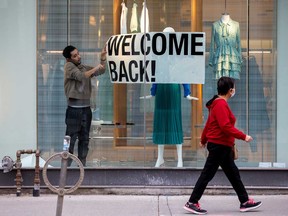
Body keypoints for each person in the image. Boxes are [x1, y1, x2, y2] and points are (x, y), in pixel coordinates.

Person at [183, 77, 262, 215]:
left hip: (222, 146)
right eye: (234, 88)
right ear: (230, 90)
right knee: (207, 174)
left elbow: (209, 124)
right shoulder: (220, 104)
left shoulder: (217, 104)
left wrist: (203, 139)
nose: (234, 91)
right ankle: (192, 202)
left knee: (233, 174)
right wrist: (243, 136)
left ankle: (244, 201)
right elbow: (225, 126)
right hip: (219, 145)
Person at [62, 45, 107, 166]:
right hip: (73, 110)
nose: (78, 56)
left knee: (85, 138)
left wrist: (102, 59)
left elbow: (101, 70)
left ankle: (82, 166)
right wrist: (95, 68)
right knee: (69, 139)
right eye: (75, 55)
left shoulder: (82, 67)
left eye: (78, 54)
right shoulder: (69, 67)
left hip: (86, 109)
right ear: (68, 59)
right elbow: (81, 76)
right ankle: (65, 166)